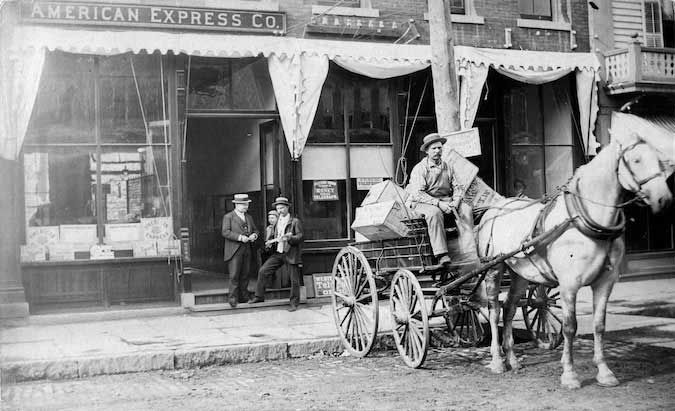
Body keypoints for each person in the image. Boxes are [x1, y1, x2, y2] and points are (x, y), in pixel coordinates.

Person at [406, 132, 466, 265]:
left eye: (440, 148)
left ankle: (468, 248)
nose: (437, 151)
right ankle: (441, 254)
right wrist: (439, 204)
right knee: (435, 213)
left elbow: (458, 187)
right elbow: (418, 194)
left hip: (445, 200)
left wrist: (456, 202)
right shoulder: (420, 169)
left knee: (466, 209)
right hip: (421, 201)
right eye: (434, 148)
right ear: (427, 151)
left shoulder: (448, 167)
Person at [250, 196, 304, 311]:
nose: (280, 210)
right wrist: (270, 243)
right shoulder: (277, 222)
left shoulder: (294, 221)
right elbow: (274, 236)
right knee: (263, 271)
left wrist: (289, 239)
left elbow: (300, 237)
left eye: (282, 208)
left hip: (290, 252)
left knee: (294, 280)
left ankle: (294, 303)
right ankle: (259, 296)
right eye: (278, 208)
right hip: (278, 252)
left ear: (287, 208)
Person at [221, 193, 259, 308]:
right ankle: (233, 299)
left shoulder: (249, 217)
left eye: (246, 204)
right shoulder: (229, 217)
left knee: (245, 274)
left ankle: (244, 296)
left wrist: (254, 235)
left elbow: (256, 230)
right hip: (234, 250)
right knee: (234, 275)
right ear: (236, 204)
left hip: (246, 249)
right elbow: (225, 232)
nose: (245, 206)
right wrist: (240, 237)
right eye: (243, 204)